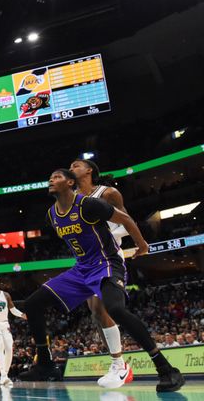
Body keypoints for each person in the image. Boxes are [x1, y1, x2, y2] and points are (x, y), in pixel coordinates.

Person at [20, 169, 185, 393]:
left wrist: (142, 245)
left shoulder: (88, 204)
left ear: (70, 182)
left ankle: (165, 368)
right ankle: (46, 364)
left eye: (57, 177)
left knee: (115, 309)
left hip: (106, 263)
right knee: (31, 304)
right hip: (81, 270)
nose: (51, 179)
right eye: (50, 177)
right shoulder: (52, 214)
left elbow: (125, 218)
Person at [70, 158, 136, 388]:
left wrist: (107, 238)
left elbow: (126, 223)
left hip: (108, 256)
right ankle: (117, 364)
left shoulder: (108, 193)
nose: (71, 168)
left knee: (101, 308)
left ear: (89, 171)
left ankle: (120, 365)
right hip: (88, 260)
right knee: (95, 313)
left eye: (76, 165)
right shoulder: (73, 200)